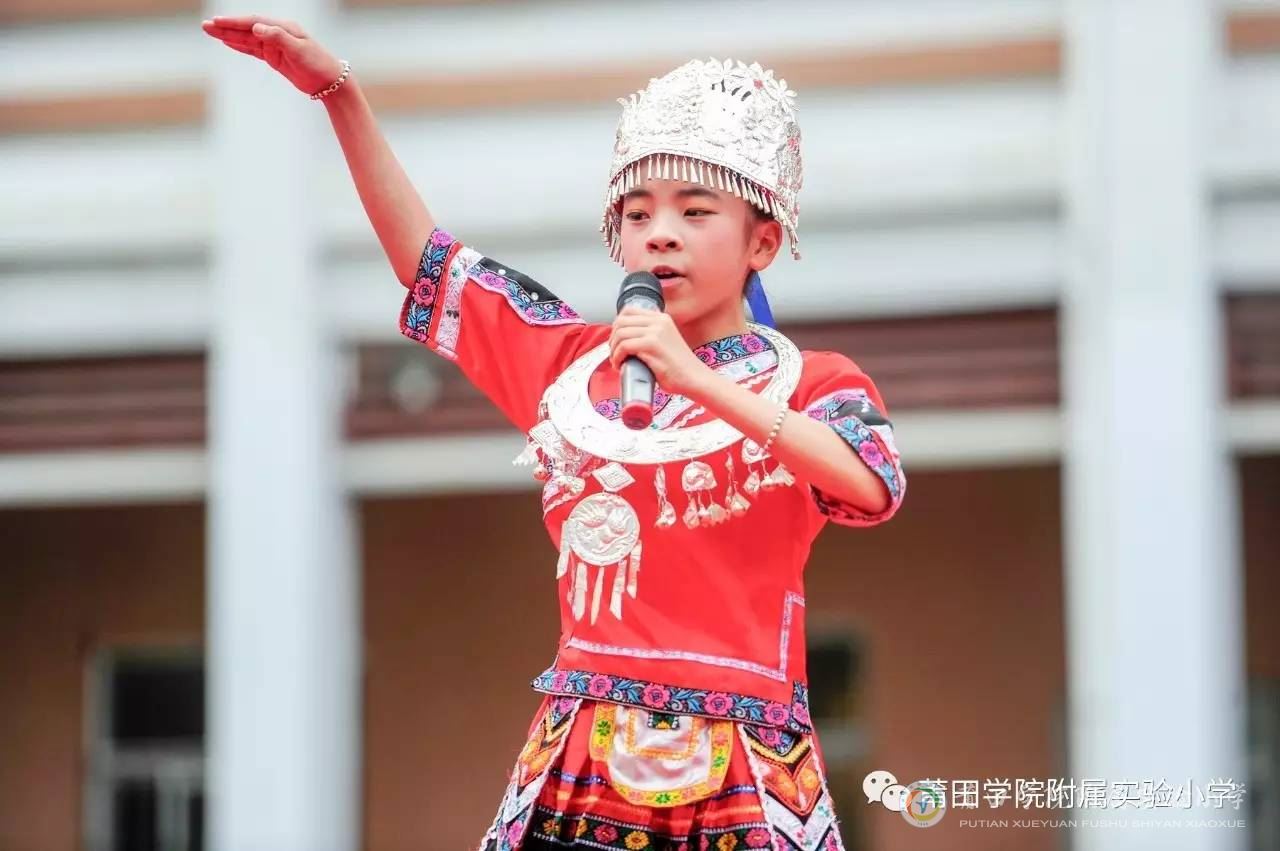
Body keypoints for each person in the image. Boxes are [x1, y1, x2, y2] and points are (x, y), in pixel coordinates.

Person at [203, 15, 906, 850]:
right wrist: (338, 93)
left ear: (763, 240)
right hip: (581, 752)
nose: (660, 232)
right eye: (638, 213)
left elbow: (872, 484)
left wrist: (695, 379)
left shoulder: (814, 382)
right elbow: (427, 260)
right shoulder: (570, 366)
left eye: (694, 210)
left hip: (746, 765)